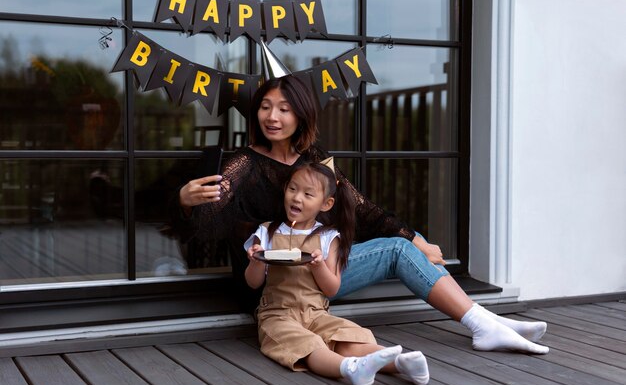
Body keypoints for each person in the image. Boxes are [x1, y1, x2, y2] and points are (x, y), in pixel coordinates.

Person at [171, 75, 549, 354]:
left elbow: (362, 209)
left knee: (402, 247)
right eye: (266, 107)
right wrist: (187, 201)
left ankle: (487, 321)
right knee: (398, 250)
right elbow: (210, 222)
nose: (273, 116)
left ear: (301, 115)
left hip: (319, 272)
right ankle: (484, 322)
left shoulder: (315, 161)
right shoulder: (245, 163)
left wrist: (415, 237)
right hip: (273, 287)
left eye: (284, 109)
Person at [244, 161, 429, 385]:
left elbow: (332, 289)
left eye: (308, 194)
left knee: (347, 337)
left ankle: (401, 363)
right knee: (307, 344)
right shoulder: (266, 231)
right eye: (292, 189)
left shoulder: (328, 238)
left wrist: (318, 265)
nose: (297, 197)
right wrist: (255, 260)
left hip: (316, 313)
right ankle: (350, 369)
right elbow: (253, 283)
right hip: (277, 314)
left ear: (326, 203)